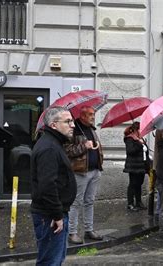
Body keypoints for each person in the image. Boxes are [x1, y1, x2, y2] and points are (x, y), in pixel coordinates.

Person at [31, 106, 77, 265]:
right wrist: (57, 215)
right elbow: (47, 186)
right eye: (68, 121)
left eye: (72, 121)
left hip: (53, 213)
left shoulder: (54, 143)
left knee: (55, 259)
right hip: (49, 216)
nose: (73, 125)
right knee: (50, 261)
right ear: (53, 125)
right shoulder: (49, 147)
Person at [65, 106, 104, 244]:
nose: (93, 117)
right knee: (76, 202)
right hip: (81, 172)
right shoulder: (73, 129)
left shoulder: (92, 129)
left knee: (90, 201)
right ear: (82, 116)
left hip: (94, 170)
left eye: (93, 114)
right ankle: (72, 233)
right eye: (90, 114)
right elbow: (67, 151)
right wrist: (84, 146)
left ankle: (89, 230)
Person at [123, 122, 150, 211]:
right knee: (132, 184)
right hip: (133, 165)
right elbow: (130, 151)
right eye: (140, 129)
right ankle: (130, 203)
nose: (142, 131)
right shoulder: (129, 139)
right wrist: (139, 143)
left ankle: (138, 202)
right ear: (135, 129)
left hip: (141, 165)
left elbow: (145, 151)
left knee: (139, 184)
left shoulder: (140, 138)